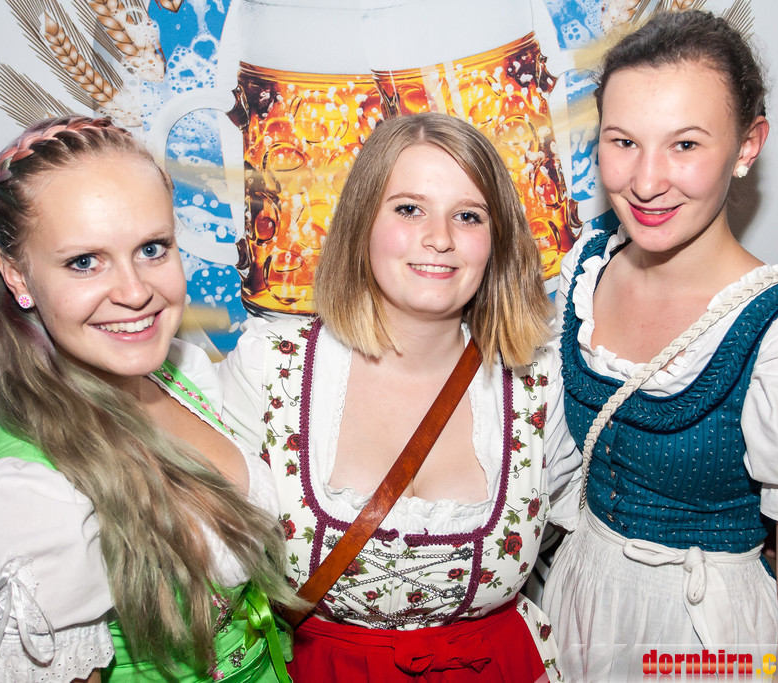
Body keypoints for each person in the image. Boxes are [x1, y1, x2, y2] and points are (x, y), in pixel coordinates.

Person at [541, 10, 778, 679]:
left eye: (685, 144)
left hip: (705, 638)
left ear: (747, 145)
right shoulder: (587, 267)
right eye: (623, 141)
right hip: (581, 608)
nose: (646, 181)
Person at [0, 116, 300, 682]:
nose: (134, 292)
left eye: (152, 248)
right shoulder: (25, 498)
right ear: (17, 274)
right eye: (84, 262)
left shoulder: (182, 375)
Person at [219, 111, 579, 681]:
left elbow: (577, 545)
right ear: (363, 219)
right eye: (409, 209)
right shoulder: (271, 368)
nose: (440, 238)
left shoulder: (538, 385)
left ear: (497, 241)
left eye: (468, 215)